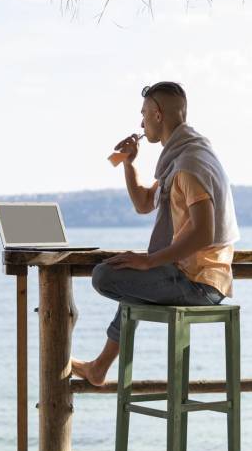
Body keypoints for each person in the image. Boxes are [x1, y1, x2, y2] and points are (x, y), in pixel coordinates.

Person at [71, 81, 240, 386]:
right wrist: (129, 163)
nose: (141, 123)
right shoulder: (182, 157)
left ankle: (99, 367)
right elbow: (144, 203)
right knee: (127, 273)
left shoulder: (189, 165)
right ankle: (99, 368)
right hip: (196, 277)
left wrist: (149, 262)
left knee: (104, 275)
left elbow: (204, 232)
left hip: (200, 284)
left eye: (144, 114)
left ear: (158, 115)